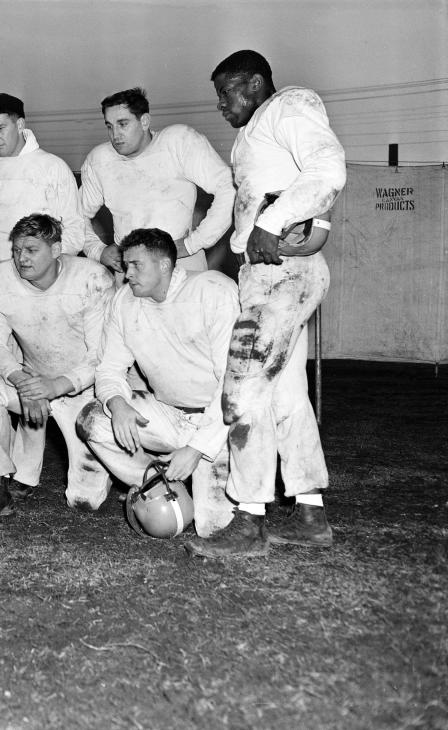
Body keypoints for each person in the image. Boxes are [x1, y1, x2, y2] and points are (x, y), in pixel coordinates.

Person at [185, 50, 346, 558]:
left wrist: (273, 224)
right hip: (267, 276)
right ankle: (310, 513)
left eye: (227, 91)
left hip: (284, 275)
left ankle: (248, 519)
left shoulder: (288, 106)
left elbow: (328, 169)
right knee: (285, 395)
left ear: (255, 84)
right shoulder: (252, 133)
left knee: (243, 389)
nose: (220, 104)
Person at [75, 228, 238, 537]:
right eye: (125, 264)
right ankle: (155, 477)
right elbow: (109, 368)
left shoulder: (212, 290)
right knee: (93, 419)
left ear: (165, 265)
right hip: (169, 414)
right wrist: (117, 404)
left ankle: (211, 478)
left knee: (211, 529)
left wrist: (195, 449)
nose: (127, 273)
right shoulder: (125, 299)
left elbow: (234, 383)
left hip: (219, 423)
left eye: (136, 265)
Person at [0, 214, 114, 523]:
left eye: (31, 250)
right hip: (31, 379)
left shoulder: (92, 279)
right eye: (17, 249)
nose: (21, 258)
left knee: (84, 502)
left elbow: (101, 356)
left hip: (83, 389)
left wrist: (56, 386)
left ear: (56, 249)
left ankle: (109, 459)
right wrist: (24, 382)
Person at [80, 88, 235, 275]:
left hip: (181, 261)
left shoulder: (178, 141)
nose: (115, 134)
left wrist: (192, 244)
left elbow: (227, 187)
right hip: (130, 267)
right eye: (109, 126)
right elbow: (76, 214)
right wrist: (96, 250)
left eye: (123, 124)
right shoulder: (100, 160)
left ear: (144, 121)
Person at [0, 93, 83, 273]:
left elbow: (74, 230)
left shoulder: (53, 167)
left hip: (46, 284)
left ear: (20, 124)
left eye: (0, 128)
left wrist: (49, 268)